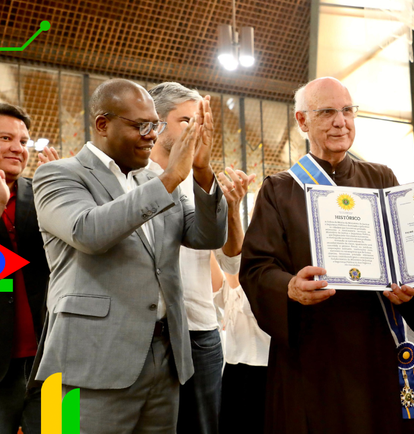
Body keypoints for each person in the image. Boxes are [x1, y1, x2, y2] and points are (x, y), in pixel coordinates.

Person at [31, 79, 228, 433]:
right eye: (141, 126)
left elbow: (207, 235)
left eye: (155, 125)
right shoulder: (59, 174)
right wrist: (169, 179)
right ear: (102, 124)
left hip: (162, 360)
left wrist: (201, 171)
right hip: (87, 364)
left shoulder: (150, 181)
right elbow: (88, 232)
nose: (151, 135)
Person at [239, 77, 414, 434]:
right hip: (312, 351)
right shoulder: (280, 189)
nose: (340, 121)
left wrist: (412, 289)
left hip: (377, 346)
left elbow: (408, 255)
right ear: (302, 121)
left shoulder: (382, 176)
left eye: (347, 111)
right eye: (327, 112)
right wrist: (289, 287)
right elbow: (256, 268)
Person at [148, 82, 253, 434]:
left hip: (202, 329)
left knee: (205, 426)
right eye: (186, 120)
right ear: (157, 123)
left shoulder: (204, 183)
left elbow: (232, 263)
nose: (197, 128)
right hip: (154, 328)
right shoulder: (136, 179)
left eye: (202, 120)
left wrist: (233, 209)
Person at [0, 104, 50, 434]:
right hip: (1, 365)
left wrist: (66, 190)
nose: (18, 148)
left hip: (54, 361)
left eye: (24, 141)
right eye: (6, 138)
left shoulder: (43, 195)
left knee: (64, 429)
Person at [214, 271, 270, 434]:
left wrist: (230, 258)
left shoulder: (258, 259)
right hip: (234, 364)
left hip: (262, 365)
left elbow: (248, 303)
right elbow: (220, 297)